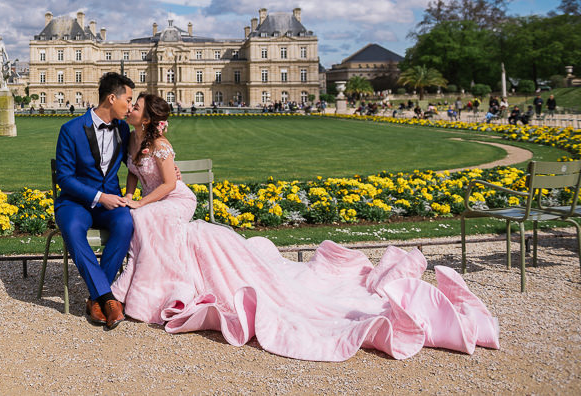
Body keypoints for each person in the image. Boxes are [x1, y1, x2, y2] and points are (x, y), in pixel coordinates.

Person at [110, 92, 499, 361]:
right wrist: (131, 196)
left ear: (149, 115)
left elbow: (168, 184)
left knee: (143, 218)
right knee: (142, 218)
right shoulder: (133, 137)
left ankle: (134, 291)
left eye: (136, 103)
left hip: (169, 199)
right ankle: (141, 288)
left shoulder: (160, 145)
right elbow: (133, 173)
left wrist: (138, 202)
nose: (131, 106)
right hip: (155, 198)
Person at [54, 72, 135, 330]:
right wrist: (100, 197)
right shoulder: (70, 130)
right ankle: (109, 298)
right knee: (73, 230)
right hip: (75, 202)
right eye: (128, 100)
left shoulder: (123, 129)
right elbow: (64, 179)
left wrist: (167, 167)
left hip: (110, 205)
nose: (131, 107)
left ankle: (95, 298)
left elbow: (137, 163)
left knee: (126, 224)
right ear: (112, 98)